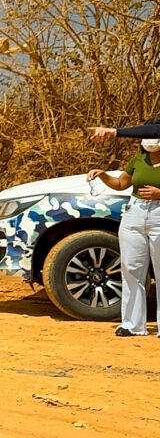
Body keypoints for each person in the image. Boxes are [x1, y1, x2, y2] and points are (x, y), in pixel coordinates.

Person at [87, 118, 160, 337]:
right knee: (131, 269)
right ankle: (132, 324)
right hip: (135, 214)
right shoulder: (139, 159)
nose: (149, 140)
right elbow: (121, 184)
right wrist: (103, 175)